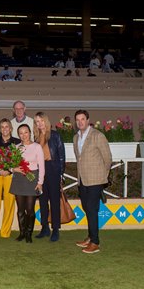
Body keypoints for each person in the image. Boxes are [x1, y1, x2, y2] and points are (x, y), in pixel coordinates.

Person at [74, 109, 112, 254]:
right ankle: (90, 237)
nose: (80, 122)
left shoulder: (97, 136)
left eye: (82, 119)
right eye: (77, 120)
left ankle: (95, 242)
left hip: (96, 179)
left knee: (91, 209)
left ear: (88, 120)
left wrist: (103, 176)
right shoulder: (76, 137)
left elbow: (107, 158)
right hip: (82, 179)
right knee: (86, 208)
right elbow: (80, 158)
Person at [9, 124, 45, 243]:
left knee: (30, 210)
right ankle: (22, 233)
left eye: (26, 132)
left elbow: (42, 166)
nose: (24, 135)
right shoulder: (16, 147)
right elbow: (10, 165)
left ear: (30, 133)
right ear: (18, 135)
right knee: (20, 209)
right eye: (21, 133)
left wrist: (40, 182)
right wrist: (14, 169)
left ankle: (29, 233)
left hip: (32, 179)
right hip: (19, 180)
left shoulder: (37, 147)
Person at [34, 112, 66, 242]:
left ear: (46, 121)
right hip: (40, 172)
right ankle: (45, 228)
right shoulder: (36, 137)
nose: (39, 123)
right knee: (42, 201)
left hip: (53, 170)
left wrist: (61, 173)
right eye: (37, 121)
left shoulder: (55, 135)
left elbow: (62, 156)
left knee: (54, 201)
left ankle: (56, 230)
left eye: (41, 120)